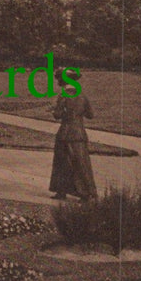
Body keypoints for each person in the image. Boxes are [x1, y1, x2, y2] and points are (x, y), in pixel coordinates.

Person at [49, 72, 97, 201]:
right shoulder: (83, 96)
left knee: (62, 163)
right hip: (79, 133)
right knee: (81, 163)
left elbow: (58, 115)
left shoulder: (63, 96)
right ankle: (86, 193)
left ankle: (61, 191)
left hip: (65, 133)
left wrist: (53, 109)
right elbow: (90, 115)